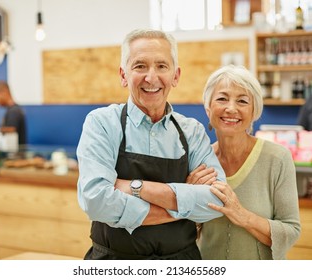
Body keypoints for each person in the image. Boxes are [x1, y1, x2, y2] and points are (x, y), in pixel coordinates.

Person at [76, 29, 226, 260]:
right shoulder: (102, 123)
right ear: (123, 75)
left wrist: (136, 187)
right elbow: (95, 201)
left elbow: (217, 198)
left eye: (161, 66)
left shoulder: (192, 131)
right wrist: (183, 204)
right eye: (140, 66)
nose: (151, 77)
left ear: (175, 76)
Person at [195, 65, 300, 259]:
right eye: (222, 99)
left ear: (254, 111)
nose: (231, 108)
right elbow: (188, 232)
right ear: (208, 107)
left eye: (242, 101)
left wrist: (241, 215)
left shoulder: (278, 159)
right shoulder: (198, 160)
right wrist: (188, 200)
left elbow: (291, 230)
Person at [0, 81, 27, 145]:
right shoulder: (11, 110)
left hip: (16, 153)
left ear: (4, 92)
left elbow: (11, 129)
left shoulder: (14, 111)